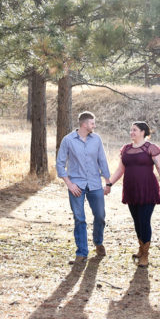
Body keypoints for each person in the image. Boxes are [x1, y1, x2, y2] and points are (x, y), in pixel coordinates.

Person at [106, 121, 160, 267]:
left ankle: (145, 256)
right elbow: (120, 170)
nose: (132, 132)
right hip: (131, 190)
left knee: (144, 220)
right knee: (136, 221)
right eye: (131, 130)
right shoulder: (126, 149)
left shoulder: (151, 148)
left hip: (147, 189)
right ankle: (141, 249)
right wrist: (109, 183)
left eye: (134, 130)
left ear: (143, 132)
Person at [56, 110, 112, 266]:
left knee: (100, 216)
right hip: (77, 185)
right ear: (84, 124)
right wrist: (69, 184)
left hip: (95, 184)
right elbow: (60, 164)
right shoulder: (68, 140)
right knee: (79, 218)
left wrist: (107, 182)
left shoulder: (97, 139)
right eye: (92, 123)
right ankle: (81, 252)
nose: (94, 125)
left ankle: (98, 242)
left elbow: (102, 160)